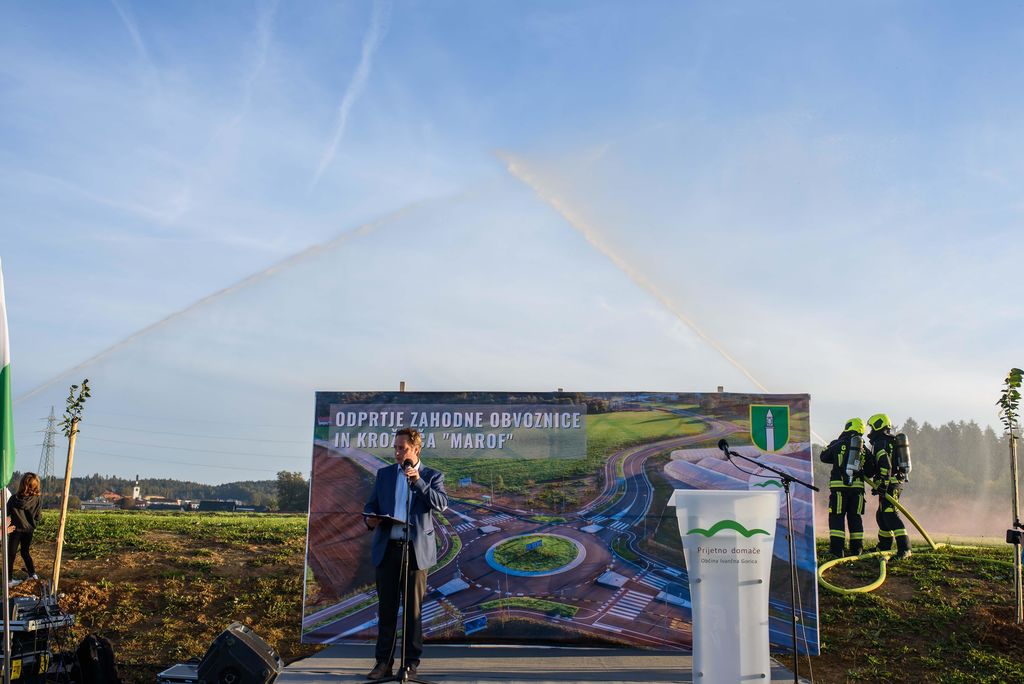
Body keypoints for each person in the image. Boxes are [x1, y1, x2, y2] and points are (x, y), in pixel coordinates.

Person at [363, 428, 448, 680]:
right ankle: (383, 663)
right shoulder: (385, 474)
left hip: (415, 552)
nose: (398, 453)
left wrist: (418, 481)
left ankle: (410, 664)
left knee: (413, 612)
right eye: (396, 448)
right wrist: (370, 519)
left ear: (416, 449)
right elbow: (371, 504)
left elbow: (441, 504)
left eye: (403, 448)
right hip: (388, 549)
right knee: (387, 611)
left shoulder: (432, 475)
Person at [865, 413, 911, 560]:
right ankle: (884, 546)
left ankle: (905, 548)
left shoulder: (881, 443)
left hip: (891, 484)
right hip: (892, 482)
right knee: (882, 514)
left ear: (878, 425)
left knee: (890, 514)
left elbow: (886, 464)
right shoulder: (889, 441)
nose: (871, 431)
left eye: (872, 428)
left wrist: (883, 484)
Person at [820, 418, 867, 558]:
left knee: (837, 517)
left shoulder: (838, 443)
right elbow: (871, 469)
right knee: (855, 518)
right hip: (857, 490)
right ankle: (857, 549)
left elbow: (824, 457)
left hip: (839, 489)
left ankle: (837, 550)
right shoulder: (863, 448)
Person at [7, 472, 42, 585]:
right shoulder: (36, 499)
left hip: (15, 530)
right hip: (28, 531)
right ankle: (32, 574)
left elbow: (6, 513)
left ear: (22, 484)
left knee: (11, 554)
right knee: (25, 552)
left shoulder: (13, 498)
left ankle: (9, 580)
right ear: (35, 486)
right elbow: (38, 517)